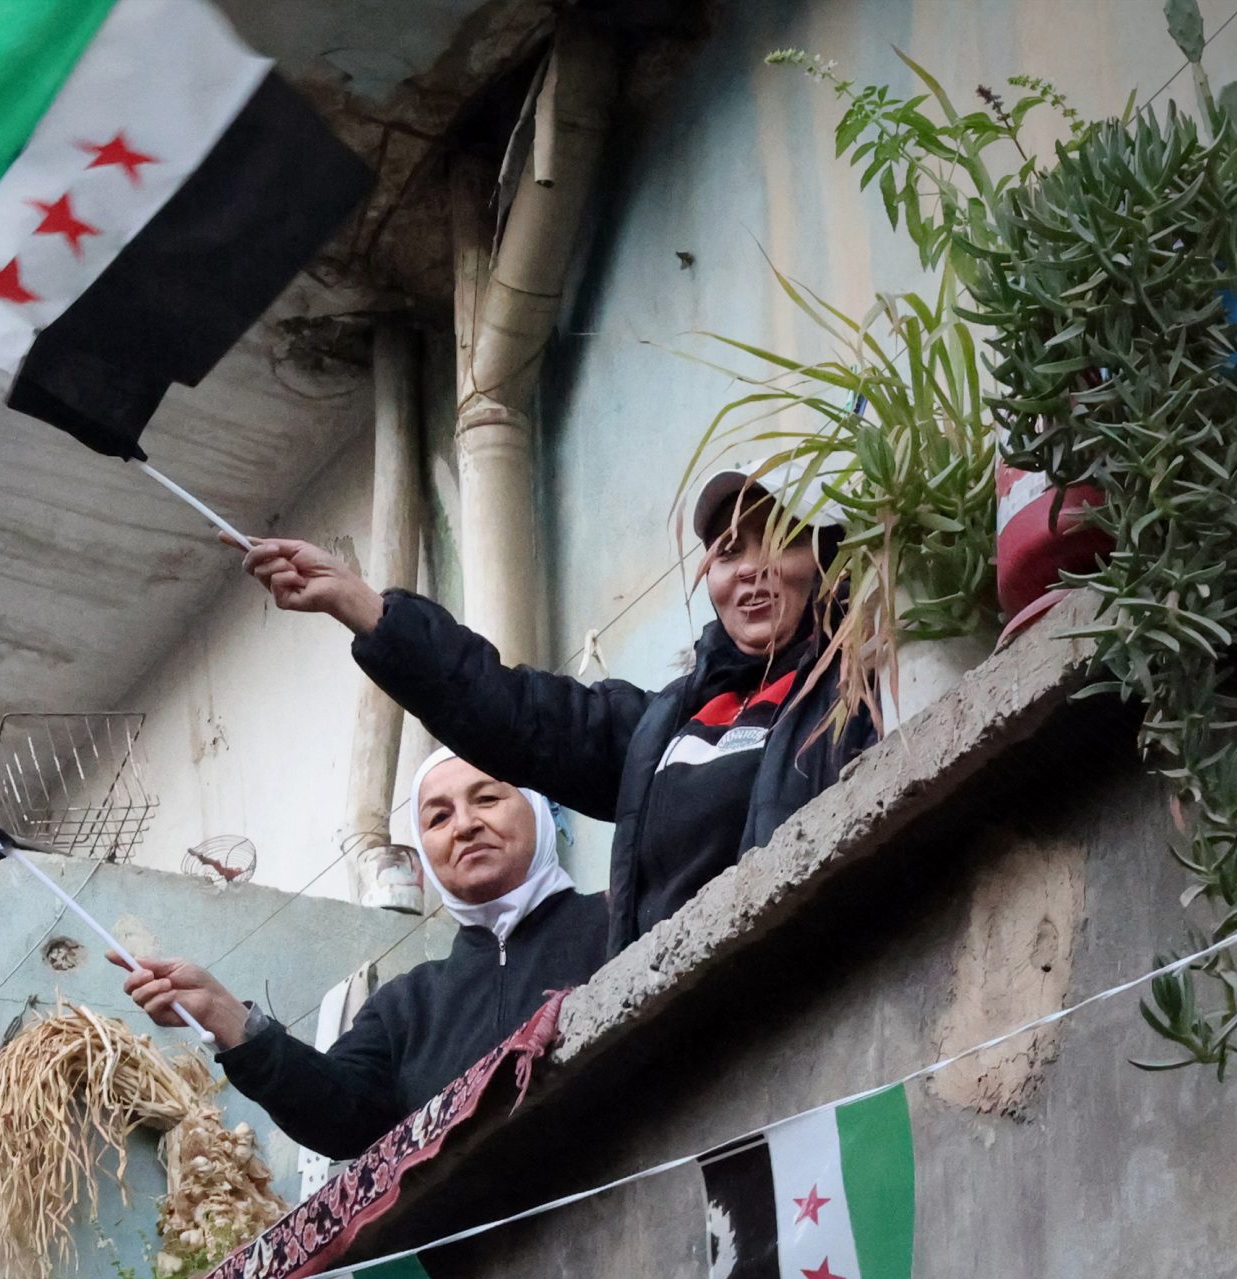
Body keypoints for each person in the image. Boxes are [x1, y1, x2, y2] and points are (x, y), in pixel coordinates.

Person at [242, 466, 876, 954]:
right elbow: (518, 713)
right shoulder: (663, 727)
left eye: (782, 541)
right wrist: (363, 608)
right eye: (729, 551)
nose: (751, 570)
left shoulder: (864, 683)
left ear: (827, 557)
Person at [123, 749, 607, 1157]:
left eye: (487, 799)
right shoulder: (407, 1006)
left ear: (538, 809)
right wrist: (228, 1019)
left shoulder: (618, 919)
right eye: (438, 817)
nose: (464, 825)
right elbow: (342, 1117)